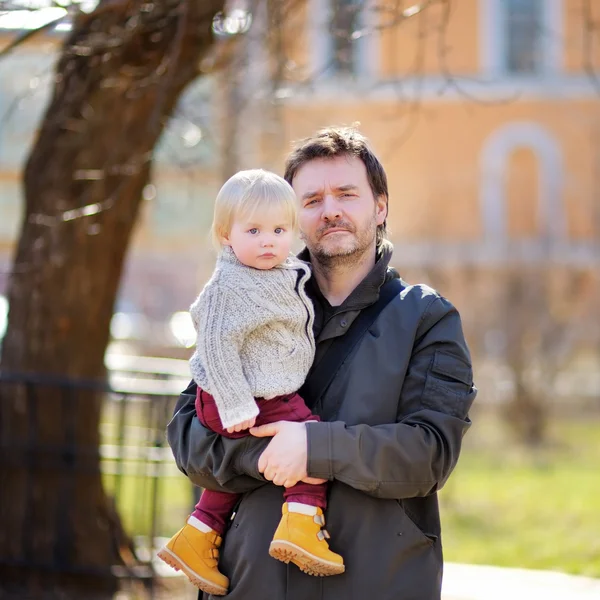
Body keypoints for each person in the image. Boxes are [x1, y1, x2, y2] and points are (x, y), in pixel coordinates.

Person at [167, 126, 477, 600]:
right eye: (311, 200)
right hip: (249, 585)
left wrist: (315, 447)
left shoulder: (426, 317)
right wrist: (272, 454)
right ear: (293, 217)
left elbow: (428, 454)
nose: (329, 209)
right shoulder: (240, 297)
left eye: (347, 194)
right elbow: (188, 438)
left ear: (380, 206)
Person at [158, 170, 344, 595]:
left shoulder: (280, 272)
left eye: (280, 230)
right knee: (309, 441)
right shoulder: (230, 286)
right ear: (226, 236)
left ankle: (198, 536)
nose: (268, 241)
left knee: (240, 472)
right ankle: (300, 524)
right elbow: (217, 347)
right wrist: (237, 404)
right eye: (254, 230)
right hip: (240, 395)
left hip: (259, 390)